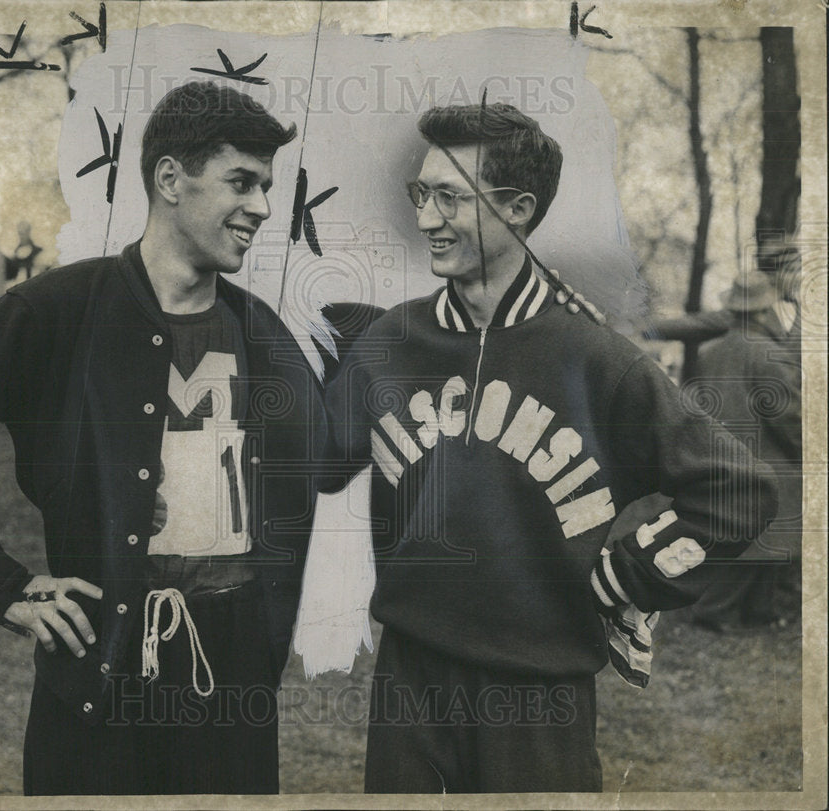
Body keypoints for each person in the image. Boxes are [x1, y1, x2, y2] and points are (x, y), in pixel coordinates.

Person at [324, 102, 779, 793]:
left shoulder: (597, 360)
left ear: (517, 208)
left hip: (538, 692)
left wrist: (627, 575)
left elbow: (739, 491)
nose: (426, 219)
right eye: (422, 193)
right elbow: (317, 461)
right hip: (409, 677)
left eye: (449, 197)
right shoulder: (390, 341)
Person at [0, 81, 325, 795]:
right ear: (170, 179)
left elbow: (326, 461)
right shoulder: (56, 310)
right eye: (241, 182)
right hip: (98, 669)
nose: (261, 207)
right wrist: (4, 588)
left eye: (268, 186)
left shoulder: (263, 332)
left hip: (231, 683)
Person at [690, 264, 802, 631]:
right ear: (760, 311)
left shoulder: (711, 351)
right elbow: (786, 414)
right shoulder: (767, 353)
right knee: (758, 544)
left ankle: (759, 612)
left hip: (722, 460)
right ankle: (715, 613)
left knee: (756, 542)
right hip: (767, 462)